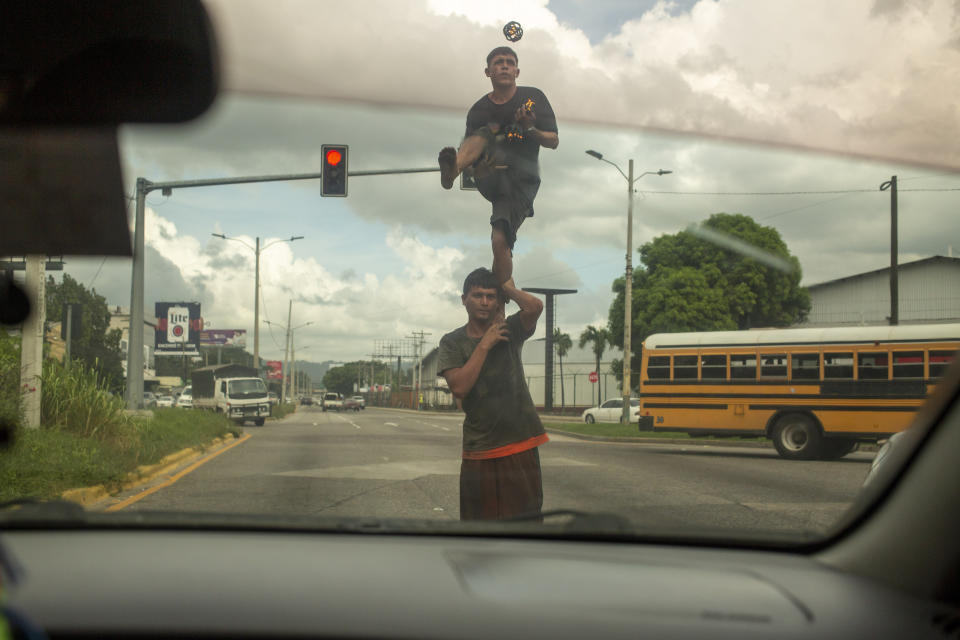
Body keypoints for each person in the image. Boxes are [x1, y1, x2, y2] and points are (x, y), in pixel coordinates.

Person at [438, 47, 559, 284]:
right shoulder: (479, 110)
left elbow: (553, 141)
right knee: (484, 132)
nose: (504, 66)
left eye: (509, 62)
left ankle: (500, 294)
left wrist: (529, 129)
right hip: (491, 173)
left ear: (517, 71)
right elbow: (472, 152)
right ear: (487, 72)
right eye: (498, 62)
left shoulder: (533, 98)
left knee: (499, 240)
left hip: (521, 182)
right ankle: (452, 172)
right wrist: (474, 171)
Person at [438, 267, 548, 520]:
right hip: (480, 448)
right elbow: (459, 387)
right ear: (464, 299)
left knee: (525, 525)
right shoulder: (452, 342)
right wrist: (485, 345)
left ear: (498, 300)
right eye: (477, 295)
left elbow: (535, 307)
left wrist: (507, 287)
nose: (485, 302)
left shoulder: (509, 329)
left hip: (520, 443)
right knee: (478, 526)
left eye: (491, 296)